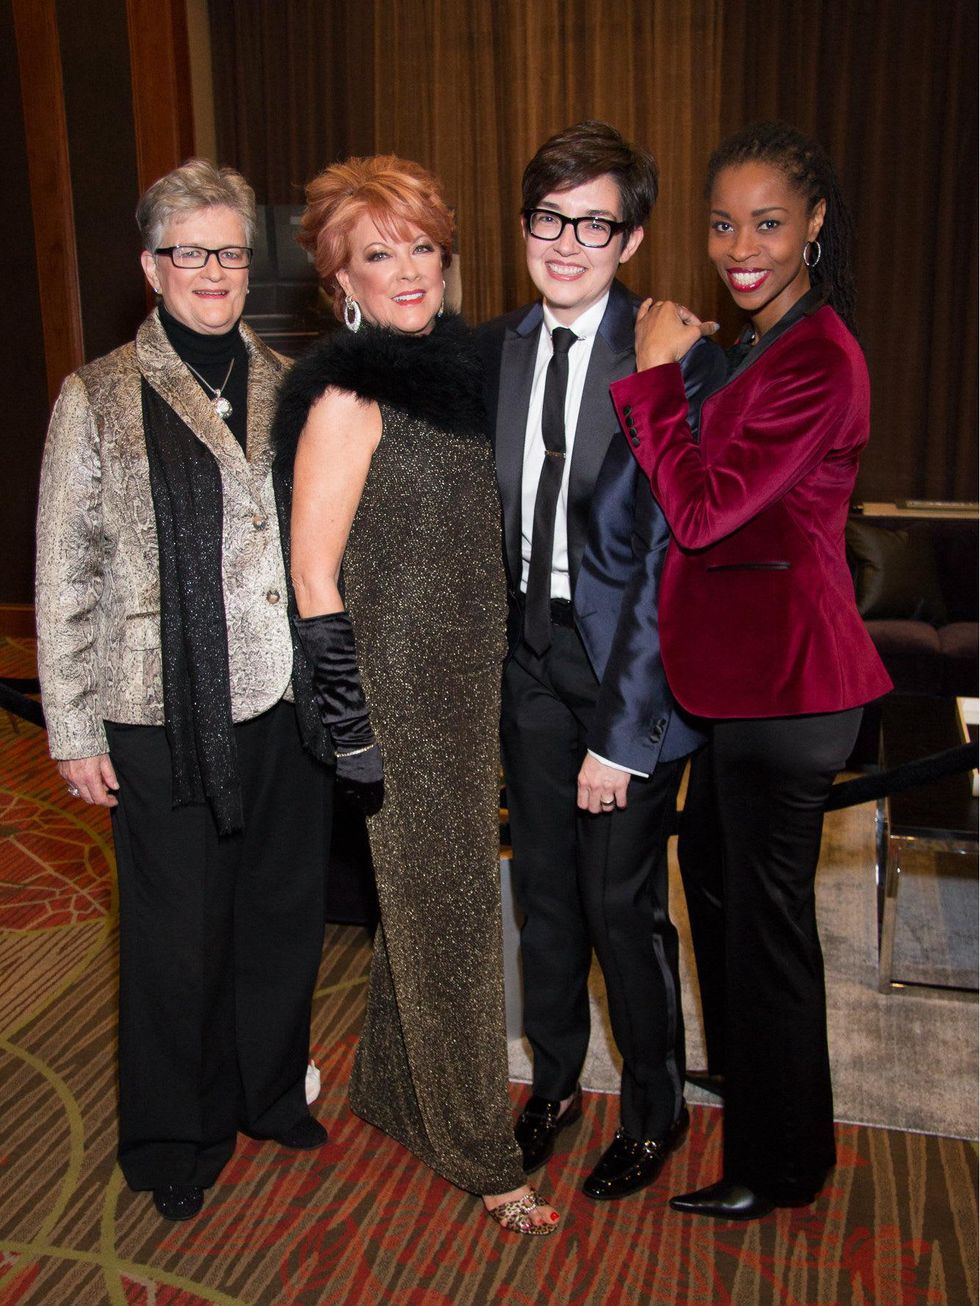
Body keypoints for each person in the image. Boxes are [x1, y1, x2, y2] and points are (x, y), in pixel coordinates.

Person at [34, 160, 334, 1224]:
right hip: (159, 713)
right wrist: (72, 727)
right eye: (191, 251)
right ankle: (174, 1133)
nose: (214, 271)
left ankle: (265, 1092)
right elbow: (65, 569)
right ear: (154, 266)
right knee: (174, 938)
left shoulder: (289, 380)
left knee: (279, 913)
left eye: (232, 251)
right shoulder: (99, 394)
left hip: (284, 704)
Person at [608, 121, 892, 1219]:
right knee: (722, 891)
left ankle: (779, 1164)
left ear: (813, 224)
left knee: (766, 933)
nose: (740, 246)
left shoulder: (816, 355)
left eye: (767, 223)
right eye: (722, 224)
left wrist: (651, 382)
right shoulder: (771, 341)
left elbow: (702, 508)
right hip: (741, 682)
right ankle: (754, 1086)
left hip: (790, 687)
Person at [273, 155, 560, 1236]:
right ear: (339, 277)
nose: (406, 271)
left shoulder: (465, 371)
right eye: (376, 253)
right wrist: (351, 729)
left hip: (468, 682)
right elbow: (311, 576)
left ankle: (395, 1091)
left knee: (425, 909)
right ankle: (483, 1153)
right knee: (452, 924)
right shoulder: (347, 394)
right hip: (396, 699)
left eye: (421, 247)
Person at [475, 121, 724, 1201]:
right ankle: (555, 1085)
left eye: (594, 222)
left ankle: (657, 1109)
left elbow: (681, 558)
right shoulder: (498, 349)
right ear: (523, 224)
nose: (566, 242)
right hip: (527, 659)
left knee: (620, 903)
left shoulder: (674, 356)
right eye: (548, 217)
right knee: (542, 895)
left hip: (628, 668)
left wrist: (625, 736)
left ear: (630, 239)